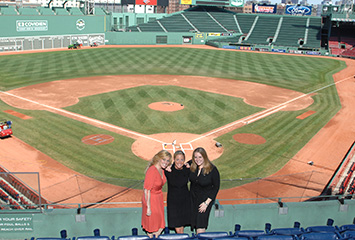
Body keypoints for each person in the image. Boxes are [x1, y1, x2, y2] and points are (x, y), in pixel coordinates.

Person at [141, 150, 172, 238]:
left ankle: (154, 237)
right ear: (158, 159)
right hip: (151, 200)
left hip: (158, 198)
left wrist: (168, 167)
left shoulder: (161, 169)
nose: (166, 162)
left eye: (168, 161)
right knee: (152, 226)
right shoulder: (152, 170)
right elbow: (147, 190)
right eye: (164, 159)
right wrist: (148, 207)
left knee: (159, 226)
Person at [189, 147, 220, 234]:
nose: (197, 159)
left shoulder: (212, 169)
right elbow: (182, 164)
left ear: (204, 157)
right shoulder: (193, 167)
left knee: (200, 226)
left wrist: (206, 203)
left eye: (200, 157)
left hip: (204, 202)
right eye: (195, 157)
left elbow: (216, 187)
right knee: (196, 224)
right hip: (193, 200)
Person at [165, 150, 191, 233]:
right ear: (174, 160)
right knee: (178, 227)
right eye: (177, 159)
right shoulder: (168, 170)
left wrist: (188, 164)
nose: (180, 162)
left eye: (182, 159)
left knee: (181, 226)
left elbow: (195, 160)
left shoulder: (187, 170)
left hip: (184, 201)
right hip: (174, 203)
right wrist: (167, 167)